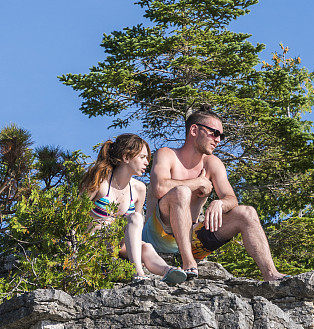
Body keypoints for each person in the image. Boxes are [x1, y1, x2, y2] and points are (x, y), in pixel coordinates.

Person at [142, 104, 286, 281]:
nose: (218, 139)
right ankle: (189, 265)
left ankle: (271, 274)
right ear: (194, 130)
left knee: (247, 213)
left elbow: (231, 198)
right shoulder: (167, 154)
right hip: (157, 237)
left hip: (193, 237)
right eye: (214, 133)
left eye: (221, 135)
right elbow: (159, 189)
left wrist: (220, 202)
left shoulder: (213, 163)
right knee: (181, 193)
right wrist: (198, 183)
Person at [81, 133, 187, 284]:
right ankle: (137, 272)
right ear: (126, 157)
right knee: (133, 221)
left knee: (146, 245)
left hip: (119, 247)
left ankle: (168, 270)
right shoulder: (99, 181)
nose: (147, 162)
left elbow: (135, 227)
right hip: (94, 241)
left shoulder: (139, 189)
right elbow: (75, 215)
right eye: (142, 157)